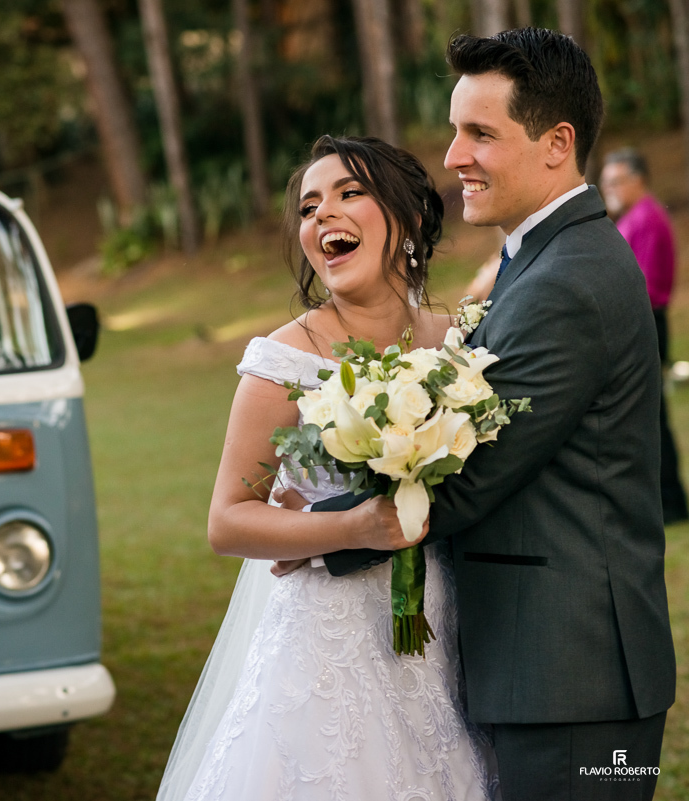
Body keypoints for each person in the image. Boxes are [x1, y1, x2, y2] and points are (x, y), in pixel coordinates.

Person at [313, 29, 676, 800]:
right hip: (557, 677)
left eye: (480, 132)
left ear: (557, 144)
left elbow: (472, 478)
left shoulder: (565, 283)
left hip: (573, 690)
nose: (453, 156)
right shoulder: (540, 257)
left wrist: (319, 532)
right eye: (455, 129)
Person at [155, 135, 498, 801]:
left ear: (412, 222)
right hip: (325, 650)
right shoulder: (283, 360)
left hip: (441, 631)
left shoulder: (460, 344)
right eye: (309, 207)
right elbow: (228, 520)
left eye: (348, 193)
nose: (321, 216)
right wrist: (350, 528)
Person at [601, 148, 689, 524]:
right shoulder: (632, 219)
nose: (611, 189)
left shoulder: (647, 218)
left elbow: (646, 286)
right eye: (606, 183)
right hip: (639, 320)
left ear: (639, 180)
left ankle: (670, 503)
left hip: (647, 322)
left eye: (617, 181)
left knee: (652, 415)